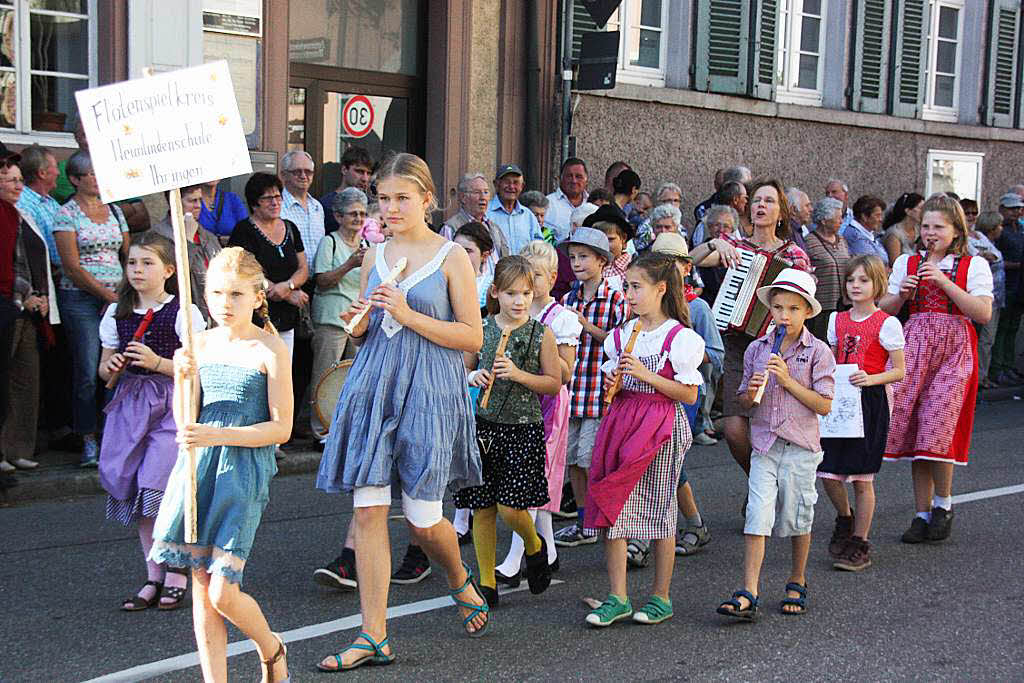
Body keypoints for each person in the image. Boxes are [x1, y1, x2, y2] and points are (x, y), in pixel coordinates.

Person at [315, 153, 489, 671]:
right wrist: (358, 322)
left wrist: (409, 314)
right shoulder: (374, 255)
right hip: (375, 381)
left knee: (422, 519)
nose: (390, 208)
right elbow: (369, 326)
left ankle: (459, 577)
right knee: (367, 509)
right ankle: (374, 636)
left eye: (401, 199)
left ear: (427, 200)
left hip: (430, 388)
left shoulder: (454, 256)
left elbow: (472, 337)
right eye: (384, 199)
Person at [149, 247, 292, 683]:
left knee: (222, 590)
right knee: (201, 592)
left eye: (235, 294)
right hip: (198, 469)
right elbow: (185, 423)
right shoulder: (198, 345)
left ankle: (272, 648)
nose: (224, 303)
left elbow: (281, 428)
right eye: (215, 293)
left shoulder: (270, 348)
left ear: (256, 295)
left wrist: (221, 435)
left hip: (244, 471)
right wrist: (180, 378)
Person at [584, 253, 704, 627]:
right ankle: (617, 596)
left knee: (661, 508)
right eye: (627, 287)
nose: (630, 294)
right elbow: (618, 381)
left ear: (661, 289)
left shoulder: (679, 338)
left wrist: (645, 376)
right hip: (623, 419)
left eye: (637, 287)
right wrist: (613, 384)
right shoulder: (620, 336)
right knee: (613, 504)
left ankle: (661, 596)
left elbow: (688, 395)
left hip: (660, 424)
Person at [716, 268, 835, 620]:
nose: (784, 315)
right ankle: (749, 590)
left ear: (807, 312)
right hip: (765, 444)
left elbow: (824, 404)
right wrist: (753, 391)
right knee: (757, 514)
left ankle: (797, 578)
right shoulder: (757, 348)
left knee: (798, 516)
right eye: (779, 307)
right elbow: (744, 402)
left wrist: (786, 380)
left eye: (793, 309)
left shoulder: (819, 352)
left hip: (800, 445)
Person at [97, 233, 206, 611]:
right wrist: (110, 366)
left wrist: (158, 362)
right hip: (131, 405)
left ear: (169, 271)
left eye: (147, 263)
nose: (138, 270)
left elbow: (197, 365)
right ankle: (153, 574)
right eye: (133, 264)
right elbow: (103, 369)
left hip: (170, 403)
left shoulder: (183, 312)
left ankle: (177, 570)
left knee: (157, 486)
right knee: (138, 493)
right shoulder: (117, 313)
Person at [880, 195, 993, 544]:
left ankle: (943, 505)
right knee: (915, 431)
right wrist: (901, 294)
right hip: (914, 345)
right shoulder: (907, 262)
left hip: (954, 348)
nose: (930, 233)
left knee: (936, 427)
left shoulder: (972, 265)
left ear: (956, 230)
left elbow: (983, 313)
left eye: (938, 227)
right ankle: (921, 512)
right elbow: (883, 308)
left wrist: (945, 282)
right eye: (926, 226)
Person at [689, 179, 811, 480]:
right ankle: (758, 482)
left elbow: (805, 303)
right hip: (737, 344)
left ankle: (768, 490)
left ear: (780, 212)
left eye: (769, 201)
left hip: (776, 347)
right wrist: (713, 243)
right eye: (756, 200)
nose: (760, 205)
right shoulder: (736, 247)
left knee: (770, 424)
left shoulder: (795, 255)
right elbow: (687, 262)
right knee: (733, 429)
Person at [459, 255, 560, 607]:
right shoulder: (482, 329)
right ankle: (487, 583)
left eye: (526, 294)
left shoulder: (540, 333)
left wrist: (517, 374)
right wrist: (473, 377)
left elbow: (553, 383)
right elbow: (464, 369)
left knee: (510, 507)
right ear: (496, 293)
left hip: (522, 428)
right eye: (512, 294)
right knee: (482, 508)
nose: (519, 302)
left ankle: (534, 545)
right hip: (483, 427)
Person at [495, 240, 580, 584]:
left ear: (553, 277)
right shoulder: (517, 311)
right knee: (532, 476)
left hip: (547, 402)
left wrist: (533, 357)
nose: (530, 283)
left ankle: (518, 557)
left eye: (538, 276)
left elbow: (567, 371)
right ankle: (549, 550)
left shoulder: (561, 318)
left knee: (530, 476)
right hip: (516, 398)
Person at [818, 255, 905, 571]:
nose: (856, 285)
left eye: (864, 280)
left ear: (878, 284)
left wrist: (872, 378)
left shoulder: (887, 323)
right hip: (839, 399)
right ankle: (845, 516)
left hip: (869, 401)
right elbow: (829, 358)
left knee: (862, 478)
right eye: (852, 280)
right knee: (827, 471)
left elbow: (899, 371)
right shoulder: (836, 320)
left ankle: (860, 541)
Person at [52, 150, 130, 467]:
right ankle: (87, 438)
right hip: (81, 298)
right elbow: (71, 266)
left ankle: (113, 434)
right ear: (75, 179)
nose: (99, 179)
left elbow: (127, 253)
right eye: (93, 174)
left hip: (116, 297)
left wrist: (125, 291)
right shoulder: (66, 214)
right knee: (86, 369)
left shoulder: (114, 210)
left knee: (117, 367)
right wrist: (106, 296)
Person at [650, 233, 723, 564]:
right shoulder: (648, 306)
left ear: (686, 266)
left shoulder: (698, 307)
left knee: (667, 461)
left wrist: (685, 351)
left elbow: (716, 356)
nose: (665, 271)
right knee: (656, 462)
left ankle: (653, 534)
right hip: (650, 394)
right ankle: (689, 525)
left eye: (672, 264)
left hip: (684, 396)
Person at [553, 227, 628, 547]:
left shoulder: (614, 298)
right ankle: (584, 520)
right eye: (573, 257)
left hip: (599, 392)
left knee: (591, 458)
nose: (577, 263)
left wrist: (584, 324)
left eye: (584, 257)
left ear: (602, 261)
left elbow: (620, 343)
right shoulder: (568, 297)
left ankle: (604, 517)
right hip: (573, 389)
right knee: (571, 459)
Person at [0, 155, 56, 473]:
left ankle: (18, 448)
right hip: (10, 307)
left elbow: (31, 260)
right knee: (4, 380)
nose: (19, 186)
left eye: (21, 180)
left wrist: (41, 297)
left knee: (26, 381)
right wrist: (27, 296)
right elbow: (8, 264)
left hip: (27, 311)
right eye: (11, 180)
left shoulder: (20, 214)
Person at [228, 173, 308, 358]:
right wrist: (285, 294)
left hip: (287, 319)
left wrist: (288, 286)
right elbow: (243, 271)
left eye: (278, 196)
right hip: (255, 317)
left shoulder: (290, 228)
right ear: (255, 203)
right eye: (267, 198)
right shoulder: (244, 231)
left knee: (283, 371)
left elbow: (303, 268)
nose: (275, 202)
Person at [310, 187, 367, 440]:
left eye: (363, 214)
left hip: (357, 321)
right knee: (324, 374)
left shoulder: (367, 245)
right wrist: (350, 264)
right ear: (338, 216)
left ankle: (347, 428)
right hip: (331, 319)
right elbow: (321, 280)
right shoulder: (329, 242)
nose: (358, 218)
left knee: (354, 375)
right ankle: (320, 429)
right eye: (352, 213)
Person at [150, 185, 222, 322]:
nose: (198, 206)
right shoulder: (157, 236)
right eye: (192, 201)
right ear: (175, 202)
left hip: (211, 314)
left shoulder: (208, 236)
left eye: (200, 200)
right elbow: (170, 281)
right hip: (180, 316)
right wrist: (187, 241)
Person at [803, 197, 851, 340]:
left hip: (843, 305)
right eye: (838, 218)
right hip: (821, 308)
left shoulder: (842, 240)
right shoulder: (809, 241)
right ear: (824, 221)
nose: (841, 221)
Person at [442, 172, 508, 272]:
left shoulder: (494, 228)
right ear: (463, 198)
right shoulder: (450, 228)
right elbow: (445, 265)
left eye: (486, 192)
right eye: (477, 192)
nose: (483, 197)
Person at [993, 192, 1024, 385]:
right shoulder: (1000, 231)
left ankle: (1008, 365)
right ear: (1002, 209)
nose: (1016, 212)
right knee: (1002, 328)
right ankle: (997, 368)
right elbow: (996, 260)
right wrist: (1016, 265)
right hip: (1005, 285)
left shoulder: (1019, 229)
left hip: (1019, 286)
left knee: (1013, 327)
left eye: (1018, 208)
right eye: (1012, 208)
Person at [972, 212, 1005, 388]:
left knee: (988, 339)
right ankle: (978, 378)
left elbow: (995, 256)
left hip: (997, 297)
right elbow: (980, 257)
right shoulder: (971, 239)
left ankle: (982, 376)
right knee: (984, 338)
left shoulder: (982, 238)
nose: (971, 217)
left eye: (973, 213)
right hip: (980, 299)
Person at [486, 164, 543, 256]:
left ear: (522, 186)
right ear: (496, 184)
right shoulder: (486, 213)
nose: (511, 186)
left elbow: (538, 249)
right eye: (506, 182)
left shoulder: (528, 216)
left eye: (516, 182)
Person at [321, 145, 373, 234]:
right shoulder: (326, 204)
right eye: (359, 171)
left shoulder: (371, 204)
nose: (365, 178)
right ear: (344, 170)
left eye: (368, 173)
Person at [695, 204, 738, 305]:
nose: (721, 230)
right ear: (710, 227)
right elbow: (690, 259)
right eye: (717, 225)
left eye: (726, 226)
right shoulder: (703, 248)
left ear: (732, 230)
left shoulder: (737, 252)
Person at [585, 204, 633, 290]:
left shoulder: (632, 267)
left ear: (623, 239)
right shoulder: (589, 266)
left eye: (610, 239)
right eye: (598, 239)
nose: (604, 245)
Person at [453, 222, 494, 310]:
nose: (460, 254)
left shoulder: (490, 287)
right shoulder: (442, 283)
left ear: (484, 256)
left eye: (468, 250)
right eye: (456, 249)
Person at [691, 181, 748, 245]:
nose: (746, 201)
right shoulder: (704, 223)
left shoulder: (737, 223)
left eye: (726, 226)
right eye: (717, 225)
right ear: (735, 199)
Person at [546, 157, 589, 241]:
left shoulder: (592, 204)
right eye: (569, 176)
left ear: (586, 180)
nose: (574, 180)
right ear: (560, 179)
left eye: (578, 176)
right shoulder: (548, 204)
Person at [841, 195, 888, 265]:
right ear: (864, 217)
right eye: (877, 215)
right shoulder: (854, 236)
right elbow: (873, 264)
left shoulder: (869, 234)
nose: (881, 220)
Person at [882, 192, 925, 264]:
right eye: (921, 208)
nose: (924, 212)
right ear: (908, 211)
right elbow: (895, 263)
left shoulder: (918, 229)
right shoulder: (894, 234)